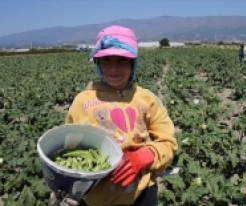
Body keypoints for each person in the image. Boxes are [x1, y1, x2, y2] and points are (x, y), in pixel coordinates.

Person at [49, 25, 178, 206]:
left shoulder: (147, 99)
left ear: (133, 63)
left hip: (141, 192)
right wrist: (61, 184)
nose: (114, 67)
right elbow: (67, 148)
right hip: (95, 195)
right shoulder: (82, 101)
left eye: (122, 60)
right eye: (106, 60)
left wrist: (141, 158)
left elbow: (168, 143)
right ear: (97, 64)